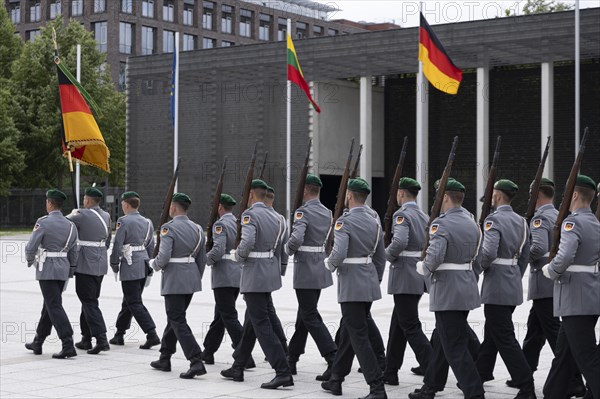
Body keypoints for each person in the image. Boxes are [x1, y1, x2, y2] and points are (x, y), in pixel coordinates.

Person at [410, 178, 484, 399]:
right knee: (443, 340)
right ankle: (431, 386)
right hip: (466, 287)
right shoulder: (473, 223)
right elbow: (478, 261)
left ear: (444, 197)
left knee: (455, 347)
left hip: (447, 290)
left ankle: (474, 392)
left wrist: (423, 267)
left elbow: (434, 257)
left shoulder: (442, 224)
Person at [511, 179, 586, 396]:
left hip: (544, 282)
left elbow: (538, 248)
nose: (528, 198)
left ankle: (574, 380)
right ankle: (524, 372)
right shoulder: (558, 215)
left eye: (530, 194)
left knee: (555, 335)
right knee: (535, 332)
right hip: (549, 284)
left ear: (538, 195)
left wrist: (519, 255)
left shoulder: (541, 218)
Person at [220, 179, 293, 389]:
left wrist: (239, 256)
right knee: (253, 320)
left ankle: (282, 370)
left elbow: (248, 241)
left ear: (251, 194)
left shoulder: (250, 214)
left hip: (255, 274)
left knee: (261, 324)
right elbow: (281, 246)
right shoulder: (277, 217)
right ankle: (238, 365)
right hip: (269, 272)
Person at [321, 177, 387, 399]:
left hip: (351, 285)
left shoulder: (345, 222)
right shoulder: (374, 220)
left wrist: (328, 264)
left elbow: (339, 253)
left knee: (359, 337)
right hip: (367, 283)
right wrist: (374, 279)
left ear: (349, 195)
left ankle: (376, 386)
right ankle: (336, 379)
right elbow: (380, 256)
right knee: (351, 332)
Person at [475, 179, 535, 399]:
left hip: (497, 286)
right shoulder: (521, 221)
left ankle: (526, 385)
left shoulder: (494, 220)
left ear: (498, 196)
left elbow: (488, 253)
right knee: (493, 333)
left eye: (493, 194)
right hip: (510, 284)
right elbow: (525, 255)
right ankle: (480, 375)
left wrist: (476, 270)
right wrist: (514, 275)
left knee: (505, 338)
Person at [542, 175, 600, 399]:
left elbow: (565, 256)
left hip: (575, 298)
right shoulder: (595, 223)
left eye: (567, 193)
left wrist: (552, 270)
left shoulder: (572, 222)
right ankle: (553, 393)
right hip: (589, 295)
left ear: (574, 195)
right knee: (564, 355)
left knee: (587, 356)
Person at [149, 193, 207, 379]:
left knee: (177, 319)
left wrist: (154, 265)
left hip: (175, 278)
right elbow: (202, 259)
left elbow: (164, 256)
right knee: (174, 318)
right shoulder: (197, 228)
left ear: (173, 208)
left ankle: (195, 360)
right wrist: (196, 276)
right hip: (191, 278)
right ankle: (165, 357)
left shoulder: (169, 228)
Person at [286, 174, 337, 375]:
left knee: (310, 315)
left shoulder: (302, 212)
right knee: (304, 315)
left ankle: (333, 356)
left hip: (306, 269)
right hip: (319, 268)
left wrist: (287, 249)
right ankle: (292, 358)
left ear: (306, 190)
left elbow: (296, 239)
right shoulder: (327, 212)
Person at [383, 177, 431, 385]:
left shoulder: (402, 214)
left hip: (405, 274)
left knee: (410, 324)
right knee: (399, 323)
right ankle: (390, 370)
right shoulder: (423, 215)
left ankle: (432, 366)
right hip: (417, 275)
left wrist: (387, 255)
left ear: (401, 193)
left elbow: (400, 241)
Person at [24, 189, 79, 359]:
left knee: (53, 305)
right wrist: (71, 269)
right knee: (49, 305)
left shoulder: (43, 222)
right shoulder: (70, 224)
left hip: (47, 268)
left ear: (49, 203)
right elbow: (74, 250)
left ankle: (67, 342)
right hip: (63, 268)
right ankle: (38, 341)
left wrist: (29, 259)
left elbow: (31, 246)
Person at [108, 191, 160, 349]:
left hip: (130, 265)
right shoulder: (147, 222)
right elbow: (151, 245)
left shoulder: (123, 221)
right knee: (129, 301)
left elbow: (118, 245)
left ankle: (152, 334)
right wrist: (148, 261)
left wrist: (114, 263)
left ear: (125, 204)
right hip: (143, 263)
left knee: (134, 302)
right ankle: (119, 334)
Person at [68, 187, 112, 354]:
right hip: (100, 263)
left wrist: (73, 213)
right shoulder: (106, 215)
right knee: (89, 300)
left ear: (87, 200)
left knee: (89, 302)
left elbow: (61, 223)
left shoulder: (81, 214)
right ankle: (86, 338)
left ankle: (101, 339)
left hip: (86, 264)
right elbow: (108, 240)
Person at [201, 194, 244, 364]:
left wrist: (206, 260)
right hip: (237, 274)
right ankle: (208, 351)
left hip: (224, 275)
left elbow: (218, 250)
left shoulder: (220, 224)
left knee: (228, 315)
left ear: (219, 207)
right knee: (221, 316)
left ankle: (244, 352)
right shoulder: (237, 222)